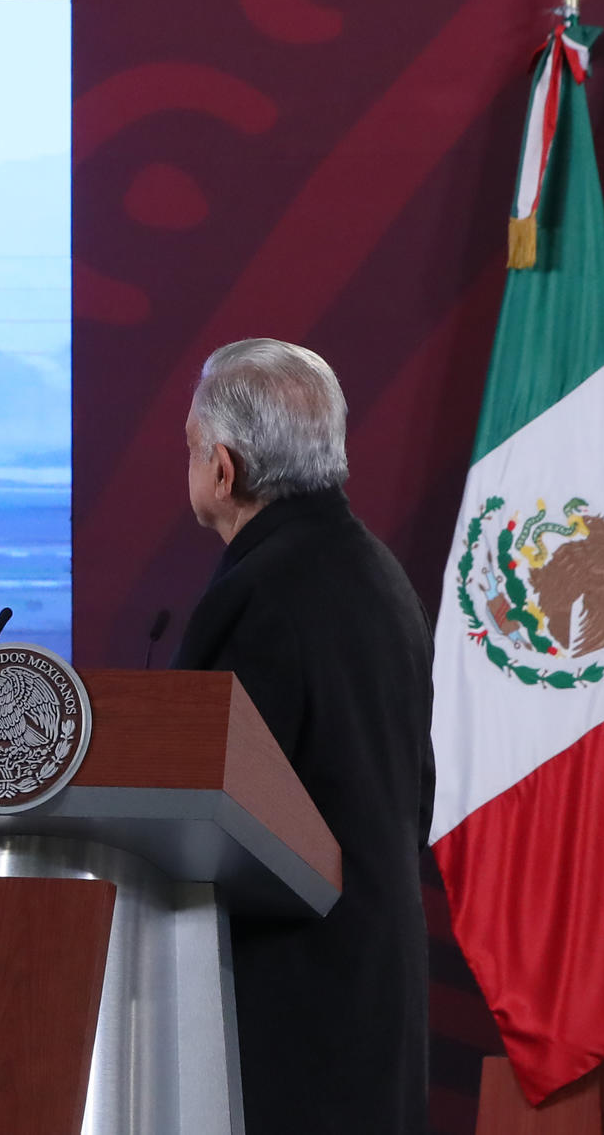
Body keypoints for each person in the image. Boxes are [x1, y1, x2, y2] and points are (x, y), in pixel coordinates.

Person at [171, 338, 434, 1135]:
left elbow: (214, 815)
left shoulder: (260, 592)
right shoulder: (376, 572)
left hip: (288, 1002)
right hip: (366, 981)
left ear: (224, 467)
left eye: (189, 448)